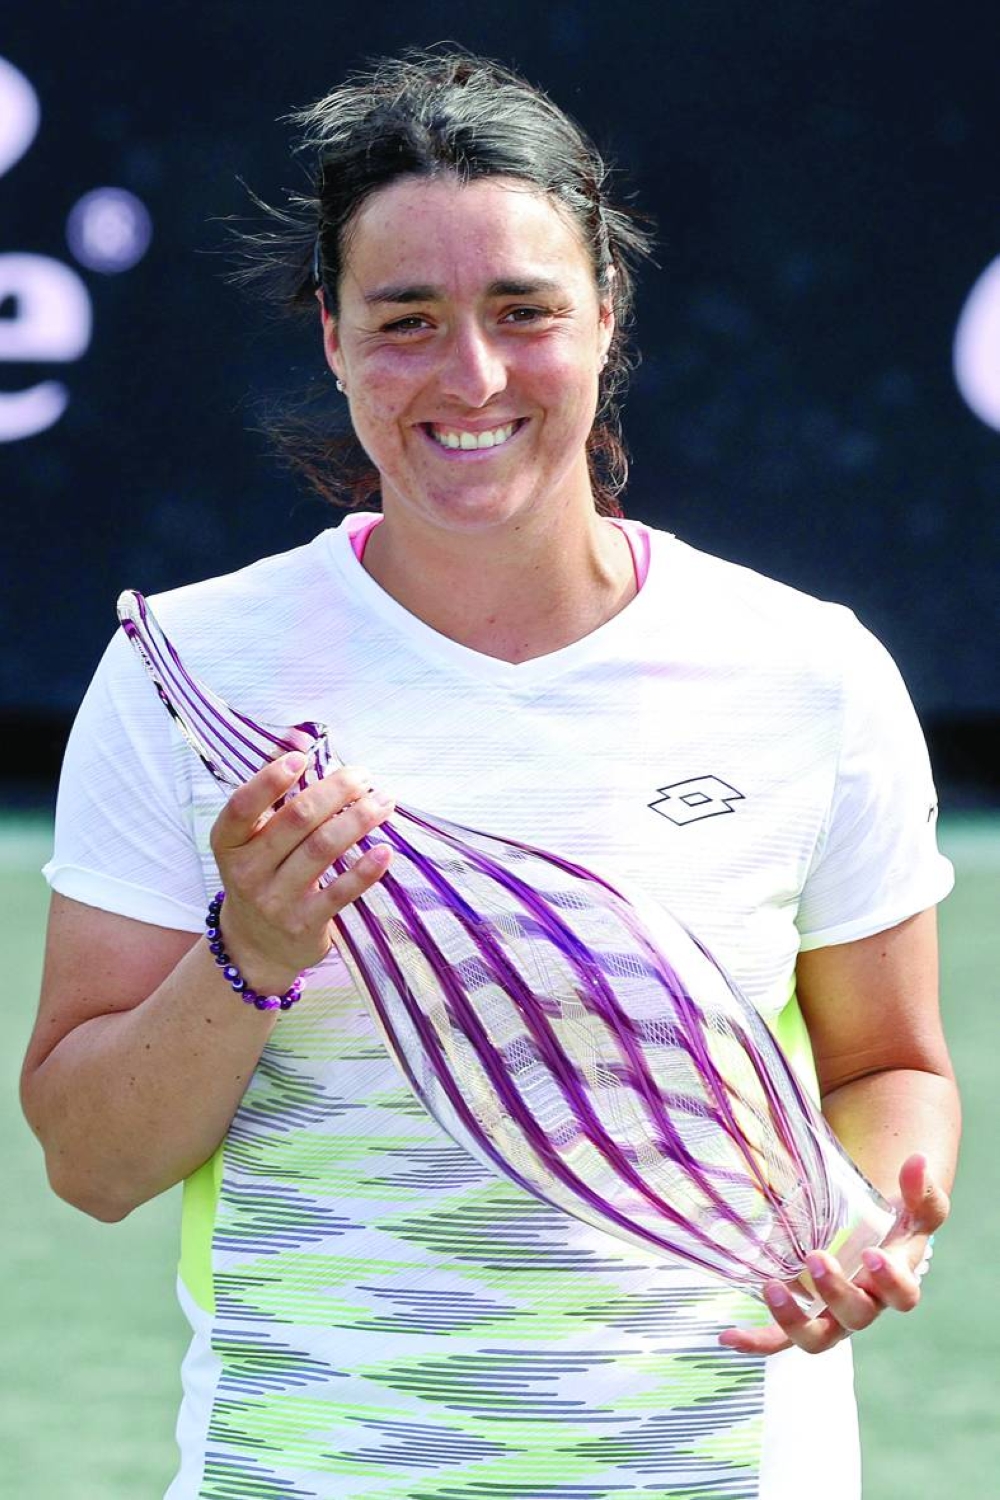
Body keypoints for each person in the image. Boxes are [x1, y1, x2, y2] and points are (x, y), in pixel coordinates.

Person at [22, 48, 959, 1500]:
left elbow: (890, 1065)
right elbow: (91, 1163)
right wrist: (248, 952)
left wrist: (861, 1224)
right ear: (331, 337)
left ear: (605, 316)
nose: (472, 377)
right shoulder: (184, 678)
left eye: (523, 312)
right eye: (407, 321)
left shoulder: (809, 672)